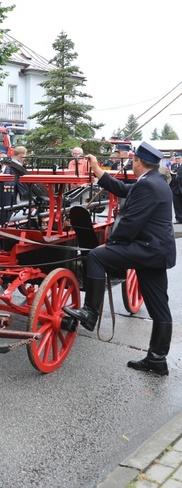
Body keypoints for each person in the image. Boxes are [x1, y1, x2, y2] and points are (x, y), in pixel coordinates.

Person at [62, 142, 176, 376]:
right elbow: (122, 188)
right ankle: (157, 360)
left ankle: (90, 313)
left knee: (95, 256)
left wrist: (110, 244)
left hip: (146, 250)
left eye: (132, 161)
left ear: (137, 162)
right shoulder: (154, 181)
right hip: (155, 252)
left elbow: (131, 223)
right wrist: (96, 169)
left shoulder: (148, 186)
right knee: (160, 308)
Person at [170, 153, 182, 223]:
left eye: (178, 158)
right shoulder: (173, 166)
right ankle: (179, 218)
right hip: (175, 188)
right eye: (176, 158)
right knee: (177, 204)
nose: (177, 160)